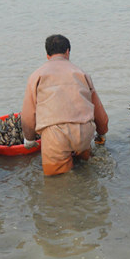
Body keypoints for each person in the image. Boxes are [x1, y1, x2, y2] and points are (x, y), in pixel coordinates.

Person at [21, 34, 109, 176]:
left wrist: (29, 139)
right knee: (85, 168)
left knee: (58, 182)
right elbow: (97, 109)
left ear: (47, 55)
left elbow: (29, 114)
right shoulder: (81, 73)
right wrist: (102, 132)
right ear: (68, 51)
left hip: (55, 135)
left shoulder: (36, 76)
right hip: (84, 131)